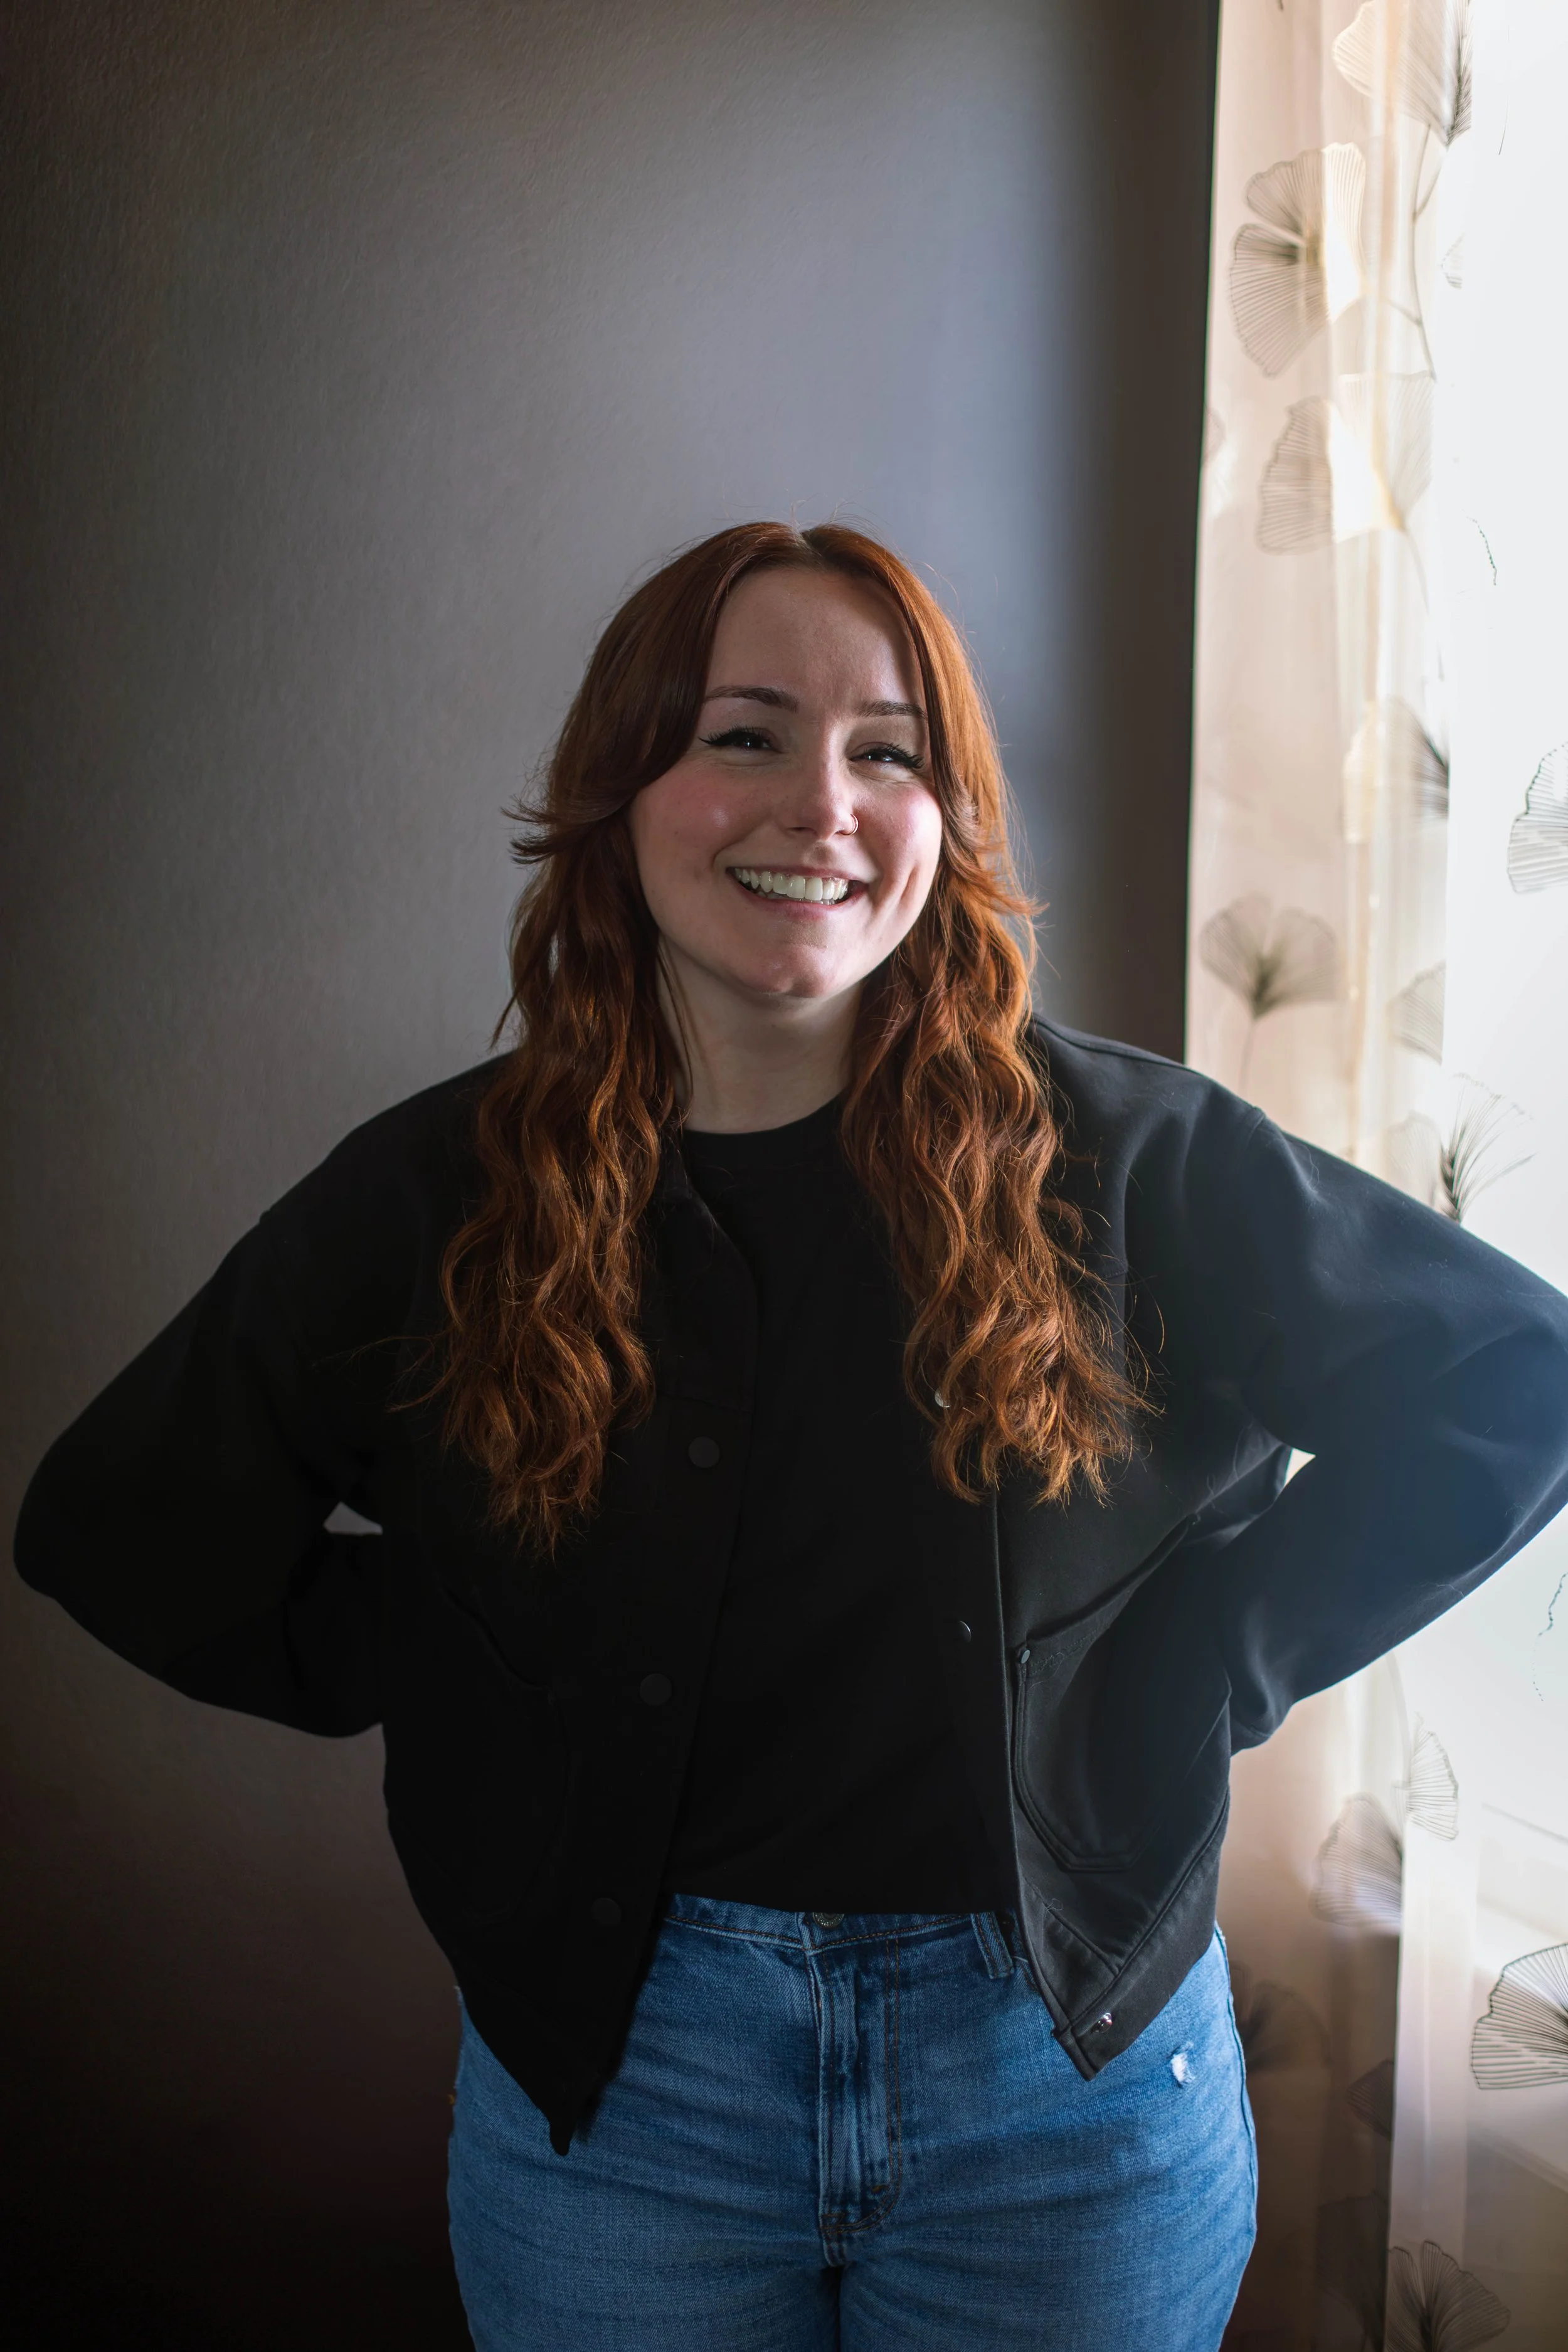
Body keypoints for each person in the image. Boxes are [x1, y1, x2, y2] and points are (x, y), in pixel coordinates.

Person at [15, 520, 1568, 2352]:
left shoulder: (1131, 1159)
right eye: (741, 733)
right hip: (627, 2102)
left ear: (943, 810)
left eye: (887, 748)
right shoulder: (436, 1196)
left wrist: (1219, 1653)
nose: (818, 799)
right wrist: (455, 1654)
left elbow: (1505, 1379)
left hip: (1062, 2100)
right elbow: (116, 1524)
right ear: (625, 788)